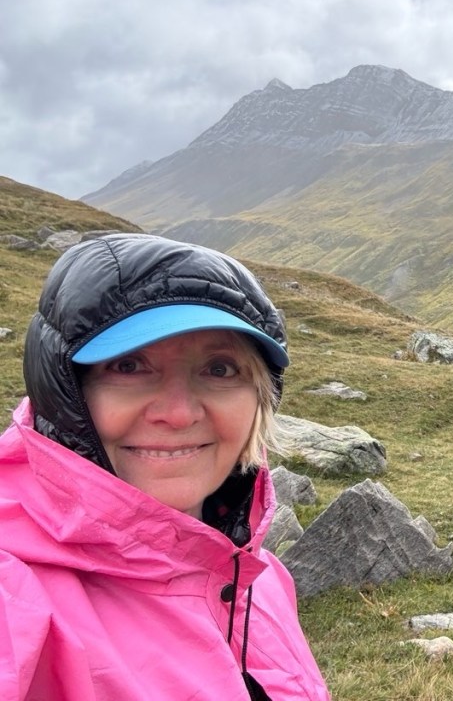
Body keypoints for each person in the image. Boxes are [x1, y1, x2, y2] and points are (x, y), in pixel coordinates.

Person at [0, 233, 331, 700]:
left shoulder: (256, 576)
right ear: (64, 392)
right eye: (129, 366)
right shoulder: (15, 591)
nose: (178, 414)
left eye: (220, 369)